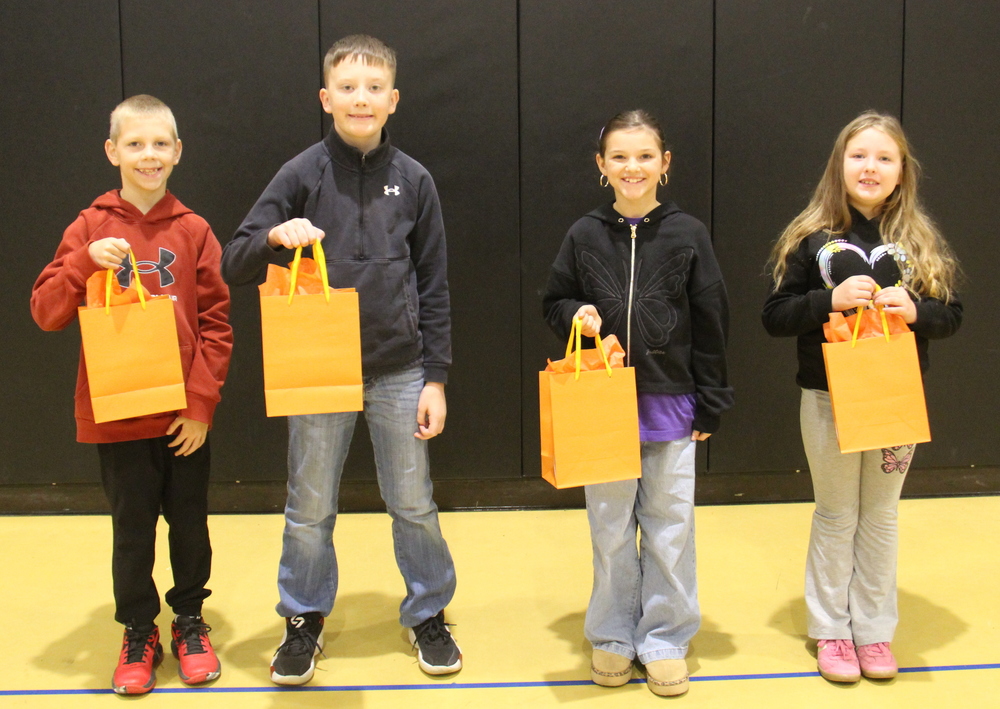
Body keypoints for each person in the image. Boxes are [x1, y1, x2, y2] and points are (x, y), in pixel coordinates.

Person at [221, 35, 460, 684]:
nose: (361, 98)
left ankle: (429, 611)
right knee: (310, 505)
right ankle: (303, 618)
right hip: (319, 369)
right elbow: (232, 258)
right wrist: (276, 235)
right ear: (327, 98)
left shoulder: (414, 180)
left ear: (393, 100)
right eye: (348, 88)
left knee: (412, 500)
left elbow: (434, 284)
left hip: (401, 368)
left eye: (374, 88)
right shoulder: (302, 173)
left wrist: (434, 377)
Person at [30, 95, 232, 695]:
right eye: (136, 144)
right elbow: (46, 313)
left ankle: (190, 621)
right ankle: (139, 629)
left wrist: (200, 406)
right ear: (112, 152)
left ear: (177, 152)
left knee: (190, 526)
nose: (149, 155)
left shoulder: (194, 230)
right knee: (132, 529)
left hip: (181, 419)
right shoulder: (89, 227)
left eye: (161, 144)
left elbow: (217, 325)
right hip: (118, 415)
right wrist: (82, 267)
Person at [762, 111, 961, 683]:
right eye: (858, 156)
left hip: (895, 401)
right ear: (839, 165)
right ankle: (831, 632)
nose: (870, 167)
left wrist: (916, 311)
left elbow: (954, 316)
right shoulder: (810, 238)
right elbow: (775, 316)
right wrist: (829, 302)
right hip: (828, 400)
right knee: (836, 512)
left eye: (884, 158)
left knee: (880, 515)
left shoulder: (917, 240)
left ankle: (873, 632)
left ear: (902, 172)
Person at [543, 110, 732, 697]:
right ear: (602, 166)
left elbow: (711, 320)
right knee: (610, 526)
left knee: (670, 524)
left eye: (645, 156)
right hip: (603, 407)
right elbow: (555, 299)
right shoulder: (583, 234)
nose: (633, 167)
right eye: (619, 157)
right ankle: (611, 633)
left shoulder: (689, 233)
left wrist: (711, 398)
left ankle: (665, 636)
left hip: (671, 405)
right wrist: (576, 315)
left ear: (664, 164)